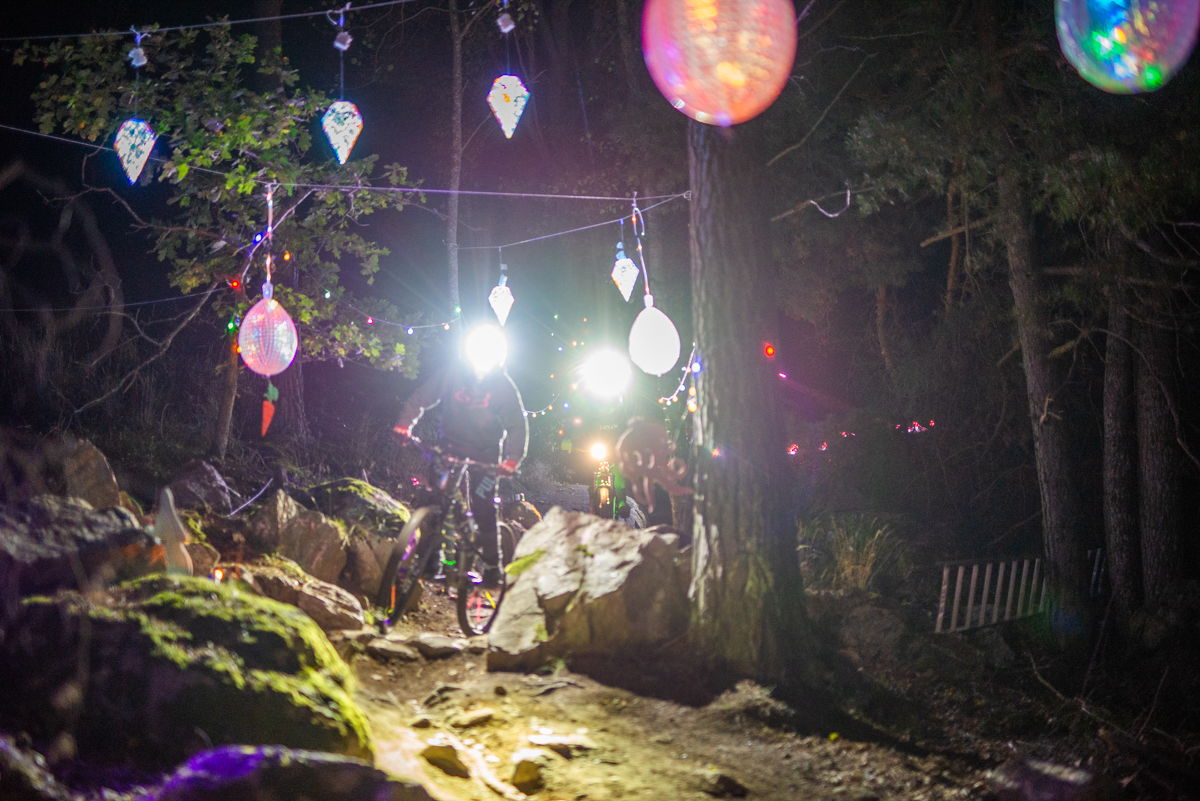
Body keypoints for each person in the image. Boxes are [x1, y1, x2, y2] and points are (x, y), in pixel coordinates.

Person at [393, 323, 528, 568]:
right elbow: (423, 396)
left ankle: (492, 565)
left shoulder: (502, 386)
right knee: (437, 498)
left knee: (483, 505)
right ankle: (432, 557)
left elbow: (517, 424)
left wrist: (511, 459)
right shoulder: (453, 373)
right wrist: (405, 424)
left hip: (485, 456)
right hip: (449, 448)